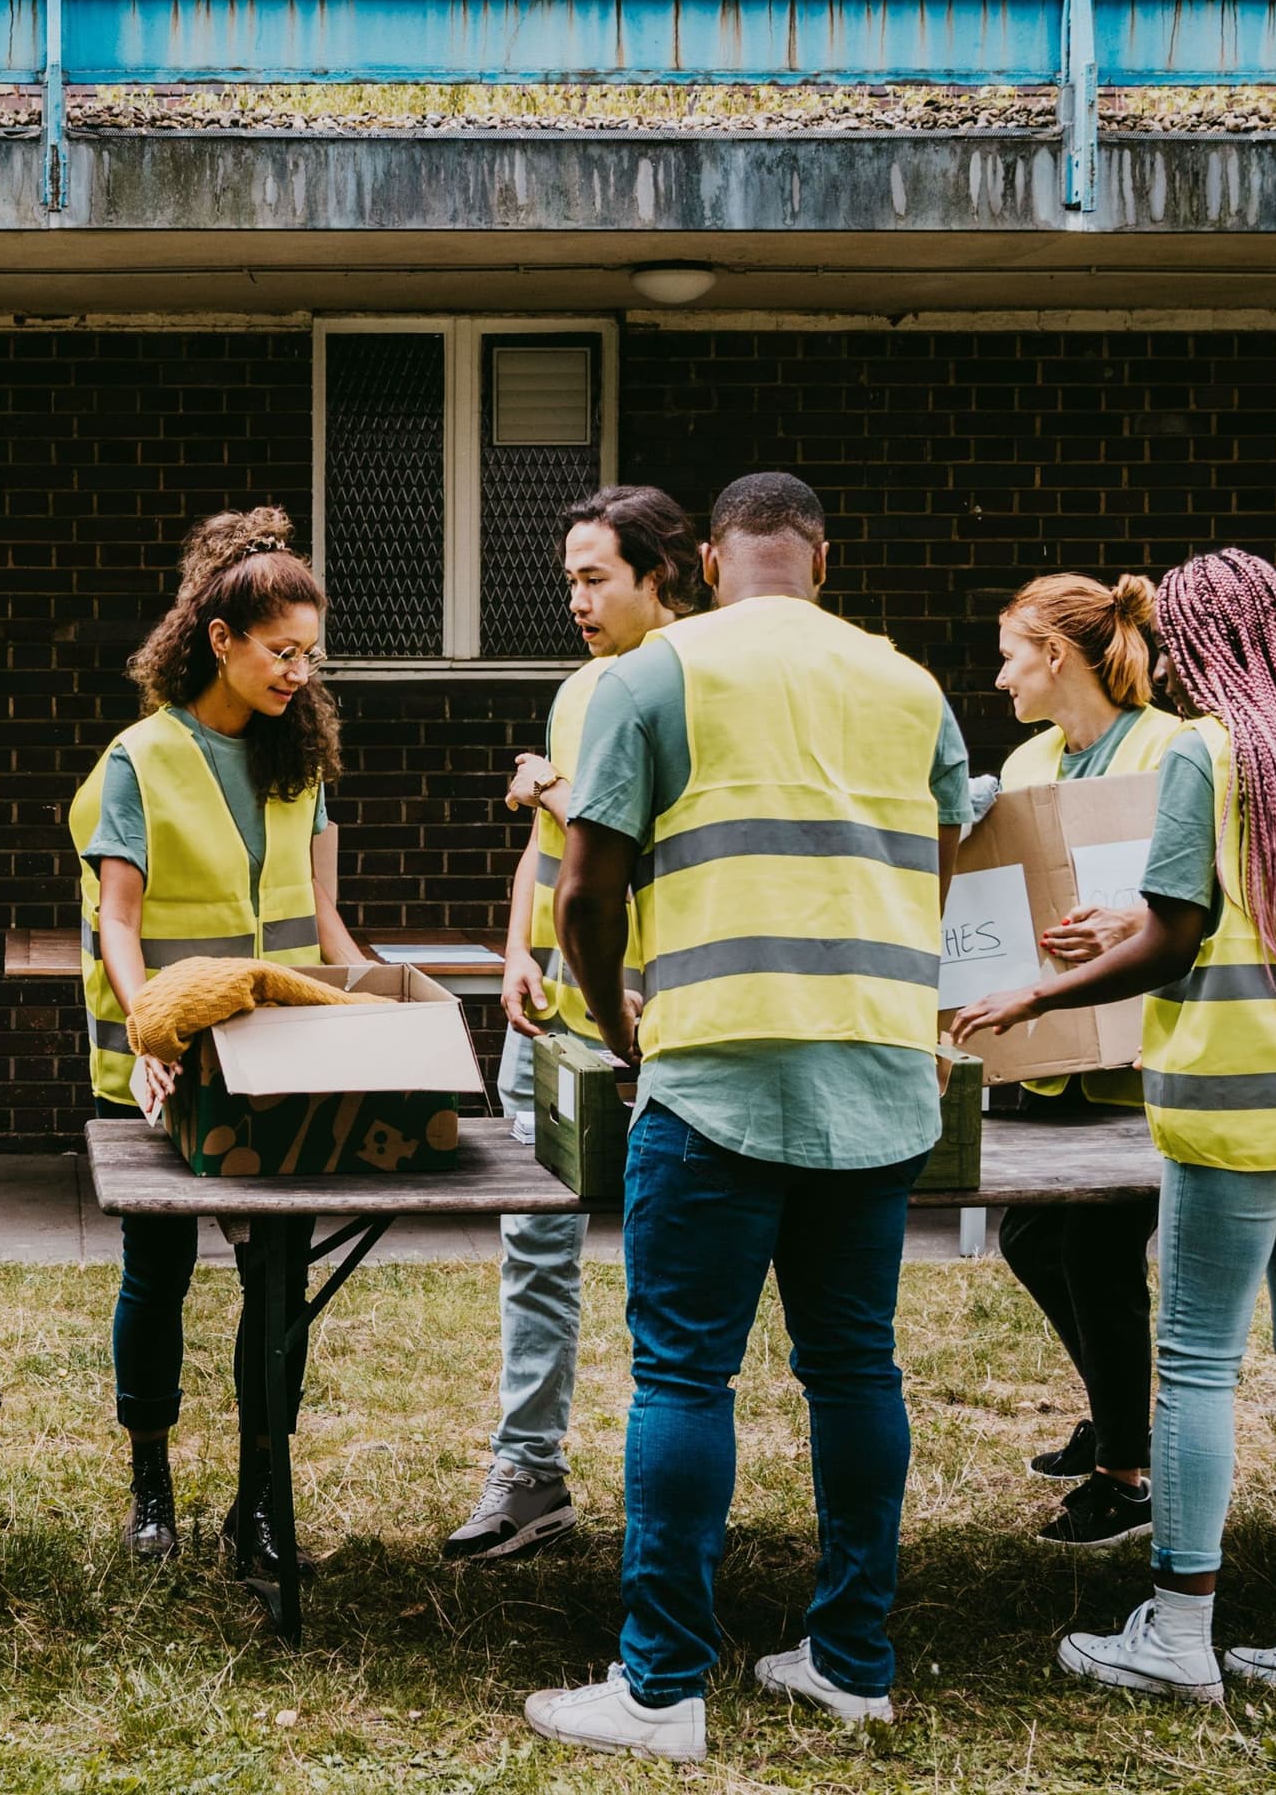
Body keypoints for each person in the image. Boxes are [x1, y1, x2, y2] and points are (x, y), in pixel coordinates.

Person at [524, 472, 970, 1762]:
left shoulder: (656, 678)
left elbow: (587, 893)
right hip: (879, 1078)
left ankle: (660, 1689)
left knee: (683, 1375)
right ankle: (852, 1660)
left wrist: (618, 1026)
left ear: (710, 564)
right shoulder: (909, 684)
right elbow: (944, 856)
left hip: (713, 1067)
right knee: (854, 1372)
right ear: (821, 561)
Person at [954, 547, 1276, 1706]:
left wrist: (1037, 996)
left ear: (1207, 640)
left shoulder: (1210, 753)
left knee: (1200, 1363)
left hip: (1240, 1086)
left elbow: (1170, 935)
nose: (1161, 657)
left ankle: (1176, 1631)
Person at [69, 506, 369, 1573]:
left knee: (279, 1282)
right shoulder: (138, 760)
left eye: (310, 654)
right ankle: (151, 1487)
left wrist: (373, 1009)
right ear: (220, 640)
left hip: (280, 1062)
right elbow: (117, 919)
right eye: (281, 652)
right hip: (161, 1070)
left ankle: (259, 1500)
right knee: (158, 1275)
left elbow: (326, 924)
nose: (299, 673)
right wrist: (151, 1027)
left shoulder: (305, 761)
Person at [444, 486, 700, 1565]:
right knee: (535, 1245)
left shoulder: (695, 686)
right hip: (556, 1006)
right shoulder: (582, 686)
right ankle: (528, 1471)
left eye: (597, 578)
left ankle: (666, 1483)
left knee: (667, 1255)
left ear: (663, 577)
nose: (579, 601)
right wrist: (517, 951)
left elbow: (628, 833)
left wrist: (550, 792)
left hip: (657, 1006)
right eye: (570, 581)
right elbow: (554, 856)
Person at [987, 572, 1186, 1549]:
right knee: (1029, 1237)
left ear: (1056, 655)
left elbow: (1216, 888)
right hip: (1051, 1054)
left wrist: (1141, 916)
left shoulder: (1171, 748)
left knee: (1100, 1256)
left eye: (1011, 655)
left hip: (1141, 1057)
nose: (1000, 677)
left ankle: (1128, 1471)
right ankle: (1121, 1413)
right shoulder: (1026, 762)